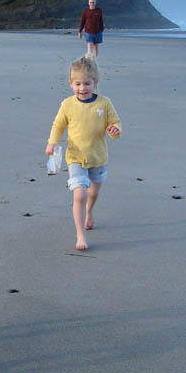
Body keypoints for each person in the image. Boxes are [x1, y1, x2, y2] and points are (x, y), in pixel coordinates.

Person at [45, 55, 121, 250]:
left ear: (95, 83)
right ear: (71, 84)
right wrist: (52, 142)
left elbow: (115, 123)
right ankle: (80, 235)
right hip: (76, 157)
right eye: (78, 83)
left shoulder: (104, 103)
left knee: (93, 193)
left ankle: (89, 212)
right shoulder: (67, 105)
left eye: (87, 83)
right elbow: (58, 125)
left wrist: (114, 130)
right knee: (79, 194)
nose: (83, 88)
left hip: (98, 157)